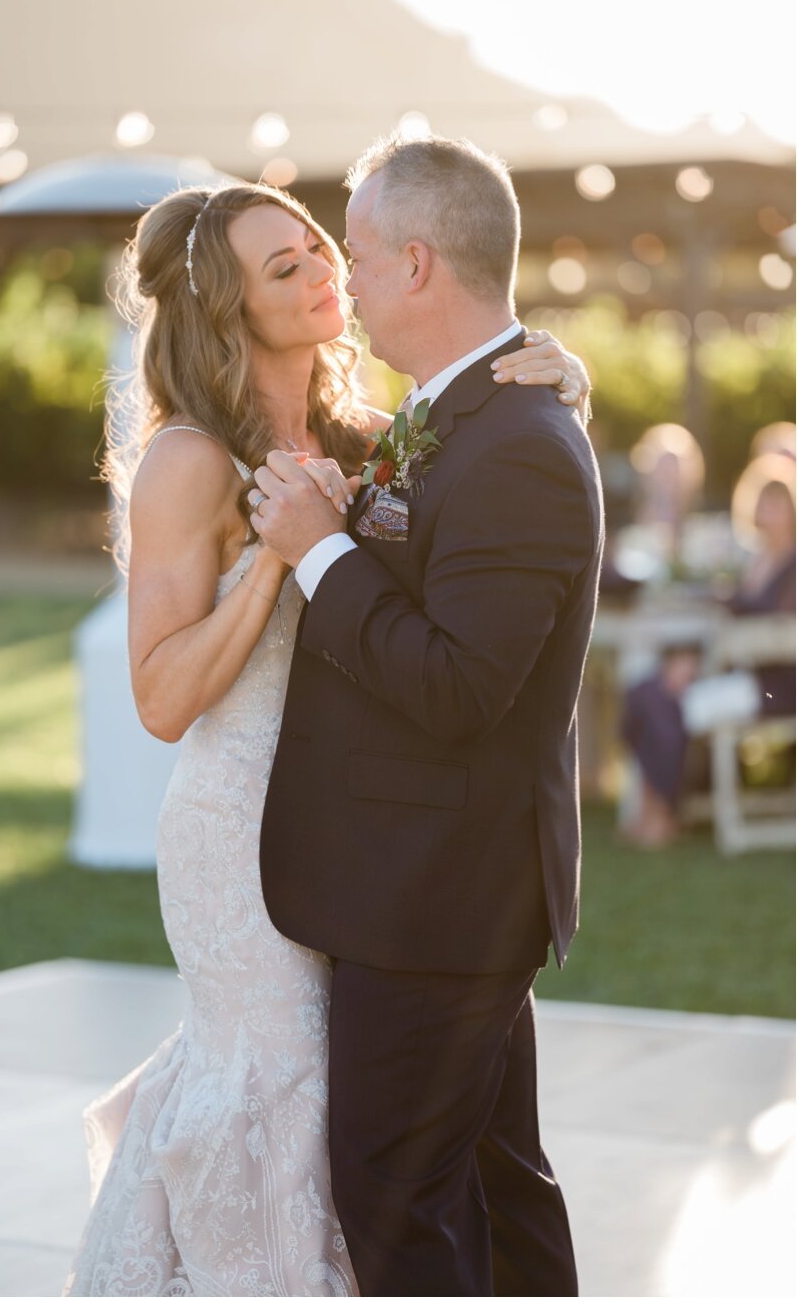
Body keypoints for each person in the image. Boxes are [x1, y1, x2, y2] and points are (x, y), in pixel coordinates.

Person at [61, 173, 592, 1297]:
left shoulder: (374, 435)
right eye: (284, 265)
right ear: (227, 305)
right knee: (289, 1103)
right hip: (242, 830)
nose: (322, 271)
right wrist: (275, 555)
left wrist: (559, 372)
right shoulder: (191, 459)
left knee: (399, 1141)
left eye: (318, 246)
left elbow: (489, 484)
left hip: (381, 846)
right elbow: (161, 699)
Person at [253, 134, 603, 1297]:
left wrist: (320, 555)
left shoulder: (518, 445)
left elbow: (458, 687)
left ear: (415, 263)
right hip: (444, 886)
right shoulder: (459, 414)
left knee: (395, 1200)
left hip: (440, 898)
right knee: (501, 1194)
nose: (341, 282)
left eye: (350, 254)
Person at [621, 454, 795, 847]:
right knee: (643, 691)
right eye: (764, 501)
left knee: (666, 702)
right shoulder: (757, 561)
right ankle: (654, 808)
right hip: (738, 672)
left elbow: (772, 631)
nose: (768, 511)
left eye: (777, 502)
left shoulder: (792, 565)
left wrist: (702, 661)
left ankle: (665, 813)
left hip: (772, 686)